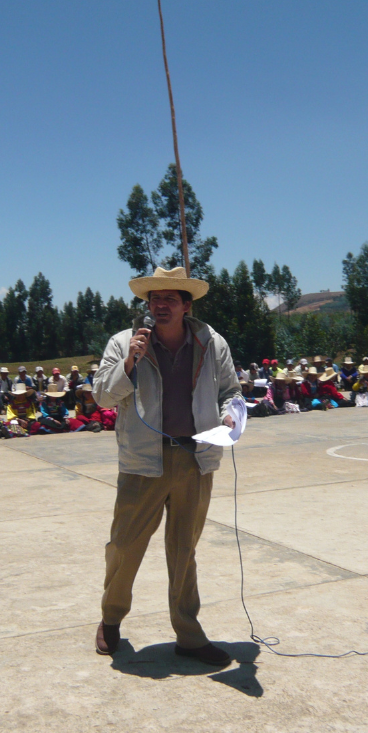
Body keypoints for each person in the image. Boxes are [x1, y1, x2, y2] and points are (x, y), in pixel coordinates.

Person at [92, 266, 241, 665]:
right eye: (154, 299)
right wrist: (129, 362)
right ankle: (111, 617)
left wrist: (230, 415)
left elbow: (230, 391)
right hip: (143, 460)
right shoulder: (123, 342)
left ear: (186, 306)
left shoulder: (211, 343)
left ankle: (188, 635)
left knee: (184, 550)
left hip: (195, 458)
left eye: (170, 299)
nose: (160, 305)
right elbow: (102, 396)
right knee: (125, 545)